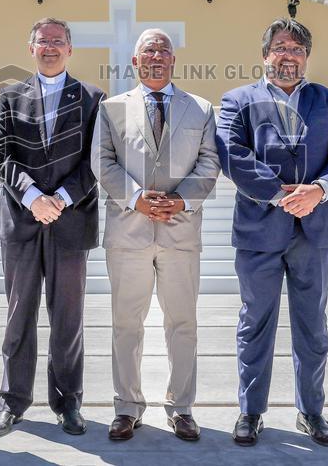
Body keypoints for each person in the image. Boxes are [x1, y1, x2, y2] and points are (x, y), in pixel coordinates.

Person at [216, 18, 328, 448]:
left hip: (314, 231)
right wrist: (279, 194)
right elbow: (230, 154)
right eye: (280, 46)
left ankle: (311, 411)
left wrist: (319, 190)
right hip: (260, 230)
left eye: (297, 48)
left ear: (306, 57)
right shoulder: (237, 100)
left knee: (312, 325)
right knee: (254, 322)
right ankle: (250, 411)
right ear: (265, 55)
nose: (288, 54)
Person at [91, 29, 220, 442]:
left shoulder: (199, 108)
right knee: (126, 323)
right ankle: (126, 407)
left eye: (164, 49)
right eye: (149, 50)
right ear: (135, 61)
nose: (157, 55)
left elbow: (209, 163)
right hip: (129, 233)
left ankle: (181, 408)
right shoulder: (111, 108)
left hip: (180, 233)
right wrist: (135, 198)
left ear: (174, 60)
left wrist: (181, 201)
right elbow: (102, 161)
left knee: (183, 323)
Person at [0, 17, 105, 438]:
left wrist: (62, 199)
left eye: (58, 41)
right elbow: (0, 156)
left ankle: (68, 402)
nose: (50, 47)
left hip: (71, 221)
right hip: (21, 221)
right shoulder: (8, 97)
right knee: (19, 315)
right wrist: (34, 197)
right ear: (30, 48)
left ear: (70, 49)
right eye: (43, 41)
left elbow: (97, 159)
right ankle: (12, 401)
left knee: (68, 319)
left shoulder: (93, 98)